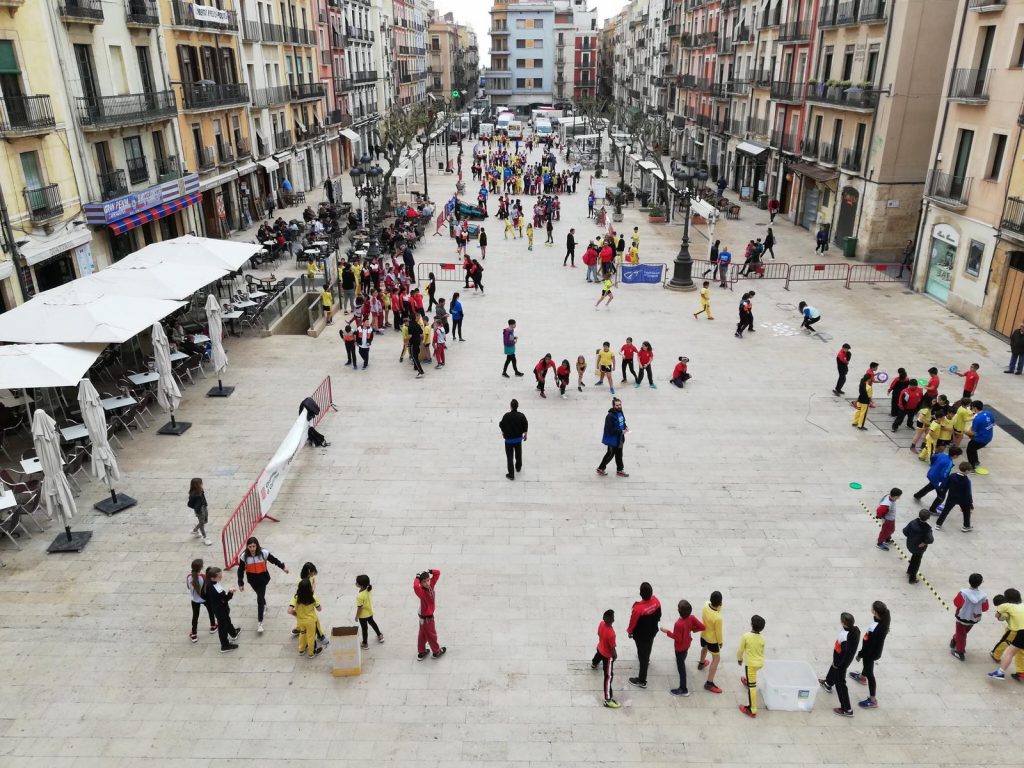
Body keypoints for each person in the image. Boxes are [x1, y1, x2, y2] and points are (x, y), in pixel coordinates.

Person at [237, 536, 289, 633]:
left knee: (259, 599)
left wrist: (283, 567)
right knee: (259, 594)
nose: (252, 549)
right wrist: (240, 582)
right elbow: (240, 570)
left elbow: (274, 560)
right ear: (247, 547)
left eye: (253, 546)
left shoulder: (264, 553)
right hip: (252, 580)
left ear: (257, 546)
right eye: (250, 547)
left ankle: (260, 622)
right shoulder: (244, 556)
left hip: (263, 579)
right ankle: (264, 603)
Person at [658, 599, 704, 697]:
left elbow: (677, 639)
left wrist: (667, 632)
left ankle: (683, 689)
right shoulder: (691, 618)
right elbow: (702, 627)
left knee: (681, 669)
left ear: (679, 611)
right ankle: (681, 661)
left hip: (679, 648)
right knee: (683, 656)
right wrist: (691, 629)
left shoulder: (678, 624)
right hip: (687, 643)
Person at [849, 601, 890, 709]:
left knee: (870, 674)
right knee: (867, 666)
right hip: (875, 651)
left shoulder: (877, 629)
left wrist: (860, 654)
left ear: (876, 612)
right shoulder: (885, 616)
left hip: (870, 653)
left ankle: (872, 700)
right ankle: (862, 676)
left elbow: (868, 644)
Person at [819, 612, 860, 717]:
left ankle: (847, 709)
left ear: (843, 623)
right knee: (833, 669)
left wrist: (837, 663)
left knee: (840, 684)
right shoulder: (855, 630)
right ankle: (828, 683)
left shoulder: (845, 637)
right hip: (842, 660)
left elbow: (844, 653)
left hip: (841, 663)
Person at [624, 582, 662, 690]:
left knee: (642, 656)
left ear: (640, 593)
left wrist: (630, 632)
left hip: (641, 636)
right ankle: (647, 659)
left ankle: (642, 680)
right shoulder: (656, 601)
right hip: (652, 632)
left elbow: (633, 622)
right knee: (649, 646)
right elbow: (659, 615)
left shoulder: (638, 609)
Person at [950, 573, 988, 661]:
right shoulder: (983, 596)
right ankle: (955, 640)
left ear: (969, 581)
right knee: (963, 632)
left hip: (962, 616)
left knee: (961, 634)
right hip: (974, 618)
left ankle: (960, 652)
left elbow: (956, 603)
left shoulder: (963, 593)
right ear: (981, 583)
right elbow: (985, 608)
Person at [912, 446, 961, 515]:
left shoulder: (942, 454)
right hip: (937, 479)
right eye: (958, 456)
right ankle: (932, 509)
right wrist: (944, 483)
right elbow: (943, 474)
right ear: (955, 455)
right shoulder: (949, 462)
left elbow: (932, 457)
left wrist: (933, 465)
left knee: (930, 486)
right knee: (941, 496)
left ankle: (917, 495)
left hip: (931, 473)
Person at [989, 589, 1024, 680]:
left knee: (1007, 648)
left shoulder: (1006, 606)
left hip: (1017, 631)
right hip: (1021, 632)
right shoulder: (1022, 605)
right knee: (1021, 651)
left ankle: (997, 659)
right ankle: (1021, 671)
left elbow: (998, 617)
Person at [205, 566, 241, 652]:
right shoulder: (215, 589)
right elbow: (225, 599)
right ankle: (224, 645)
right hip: (221, 610)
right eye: (219, 576)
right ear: (213, 577)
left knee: (227, 621)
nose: (221, 577)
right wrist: (230, 592)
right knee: (222, 628)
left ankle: (233, 633)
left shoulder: (209, 583)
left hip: (217, 608)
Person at [413, 569, 446, 660]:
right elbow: (415, 586)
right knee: (432, 635)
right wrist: (417, 577)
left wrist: (430, 570)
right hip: (427, 618)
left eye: (428, 580)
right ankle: (436, 651)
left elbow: (437, 573)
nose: (427, 583)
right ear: (421, 583)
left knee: (423, 634)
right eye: (424, 582)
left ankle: (421, 652)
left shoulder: (431, 586)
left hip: (423, 616)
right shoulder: (421, 592)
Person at [737, 615, 766, 718]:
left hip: (751, 665)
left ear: (751, 625)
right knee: (751, 677)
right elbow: (762, 651)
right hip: (759, 663)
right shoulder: (762, 638)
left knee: (752, 687)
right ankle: (749, 680)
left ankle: (752, 709)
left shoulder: (746, 636)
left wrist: (739, 659)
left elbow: (740, 650)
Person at [696, 591, 724, 693]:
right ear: (720, 602)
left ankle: (701, 663)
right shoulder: (718, 617)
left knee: (704, 648)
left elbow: (711, 604)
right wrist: (720, 642)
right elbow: (719, 632)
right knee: (716, 658)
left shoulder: (705, 605)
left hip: (703, 635)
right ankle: (709, 682)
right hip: (713, 640)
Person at [288, 578, 323, 658]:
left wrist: (296, 614)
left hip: (300, 621)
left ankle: (301, 649)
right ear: (309, 588)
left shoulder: (296, 597)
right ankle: (312, 653)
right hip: (311, 621)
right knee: (311, 637)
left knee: (302, 633)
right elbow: (319, 609)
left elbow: (289, 610)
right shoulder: (313, 597)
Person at [935, 461, 974, 532]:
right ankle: (966, 526)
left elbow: (946, 485)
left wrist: (942, 493)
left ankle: (938, 524)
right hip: (963, 499)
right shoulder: (967, 481)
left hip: (951, 497)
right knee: (966, 512)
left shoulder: (952, 476)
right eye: (969, 470)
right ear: (967, 471)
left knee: (945, 511)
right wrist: (970, 503)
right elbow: (968, 493)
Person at [592, 609, 620, 708]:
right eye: (612, 617)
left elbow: (599, 634)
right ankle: (608, 699)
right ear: (611, 619)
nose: (613, 618)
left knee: (598, 655)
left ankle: (594, 664)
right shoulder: (611, 633)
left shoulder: (601, 623)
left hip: (600, 647)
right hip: (607, 656)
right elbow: (612, 648)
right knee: (608, 676)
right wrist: (615, 656)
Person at [596, 397, 628, 477]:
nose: (619, 406)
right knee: (610, 454)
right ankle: (600, 468)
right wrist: (621, 431)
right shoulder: (610, 416)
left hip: (620, 438)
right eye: (617, 405)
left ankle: (620, 470)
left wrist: (625, 427)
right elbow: (609, 429)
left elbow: (623, 421)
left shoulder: (621, 412)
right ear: (613, 406)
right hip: (612, 440)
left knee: (619, 454)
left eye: (620, 405)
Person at [186, 558, 217, 643]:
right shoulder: (203, 577)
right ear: (201, 567)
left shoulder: (189, 577)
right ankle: (213, 626)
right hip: (204, 599)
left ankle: (194, 634)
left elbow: (188, 587)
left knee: (195, 616)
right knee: (210, 611)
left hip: (194, 600)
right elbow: (207, 588)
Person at [499, 399, 528, 480]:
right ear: (517, 406)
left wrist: (503, 432)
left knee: (509, 457)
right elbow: (525, 424)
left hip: (508, 441)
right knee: (518, 454)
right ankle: (518, 467)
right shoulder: (521, 415)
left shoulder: (506, 416)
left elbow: (501, 424)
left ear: (511, 406)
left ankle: (511, 474)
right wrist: (525, 433)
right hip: (518, 439)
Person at [903, 509, 934, 584]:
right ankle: (912, 578)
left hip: (910, 545)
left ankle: (909, 570)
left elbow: (905, 531)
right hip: (919, 549)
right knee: (916, 562)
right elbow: (931, 540)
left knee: (914, 557)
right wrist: (924, 542)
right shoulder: (927, 529)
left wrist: (911, 537)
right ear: (928, 518)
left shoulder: (913, 522)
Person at [354, 574, 384, 650]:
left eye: (356, 583)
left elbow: (359, 608)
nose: (355, 583)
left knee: (364, 629)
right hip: (369, 612)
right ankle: (380, 635)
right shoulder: (368, 589)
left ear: (361, 585)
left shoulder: (360, 596)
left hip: (363, 616)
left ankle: (365, 643)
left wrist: (357, 616)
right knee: (373, 623)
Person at [964, 400, 994, 470]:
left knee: (970, 449)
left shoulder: (977, 419)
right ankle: (976, 461)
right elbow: (993, 423)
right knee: (973, 448)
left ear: (974, 408)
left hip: (980, 439)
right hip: (989, 437)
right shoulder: (989, 413)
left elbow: (972, 433)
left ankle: (971, 467)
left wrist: (963, 431)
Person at [187, 477, 212, 546]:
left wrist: (205, 505)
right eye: (200, 483)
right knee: (202, 523)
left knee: (205, 521)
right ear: (196, 485)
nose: (202, 484)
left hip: (204, 507)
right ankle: (205, 537)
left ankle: (195, 530)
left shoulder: (201, 490)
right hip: (199, 510)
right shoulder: (193, 494)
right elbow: (190, 504)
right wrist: (196, 508)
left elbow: (203, 498)